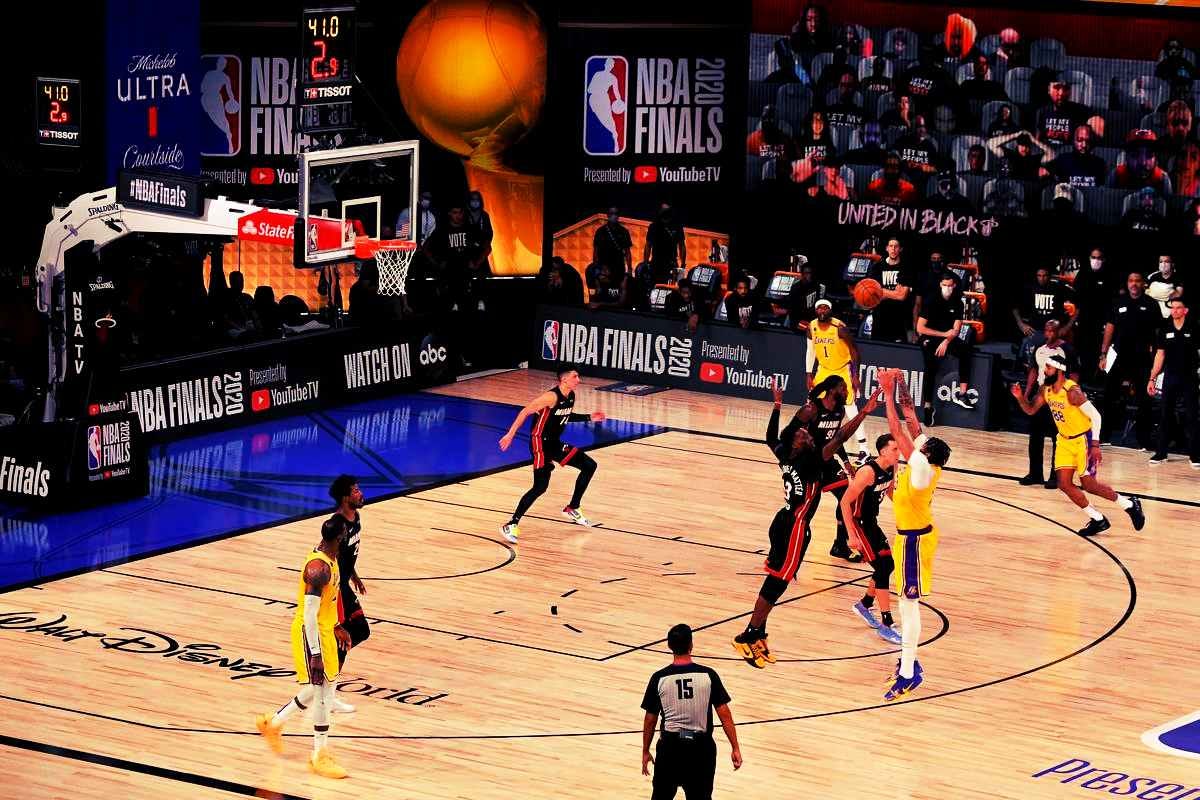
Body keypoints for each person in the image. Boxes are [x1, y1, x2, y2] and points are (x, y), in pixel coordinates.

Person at [732, 378, 879, 668]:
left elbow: (770, 437)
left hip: (784, 520)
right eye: (802, 435)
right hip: (795, 525)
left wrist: (777, 404)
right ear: (799, 446)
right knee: (778, 582)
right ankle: (748, 634)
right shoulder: (810, 463)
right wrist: (863, 412)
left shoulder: (784, 454)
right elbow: (839, 438)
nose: (806, 434)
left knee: (777, 580)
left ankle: (758, 634)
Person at [255, 515, 353, 779]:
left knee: (323, 687)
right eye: (346, 533)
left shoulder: (331, 557)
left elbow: (327, 603)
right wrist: (316, 654)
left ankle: (273, 723)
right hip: (311, 633)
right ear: (340, 537)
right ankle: (319, 756)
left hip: (325, 629)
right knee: (322, 692)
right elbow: (309, 614)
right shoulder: (318, 568)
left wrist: (337, 625)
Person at [876, 368, 952, 701]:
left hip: (915, 541)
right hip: (908, 537)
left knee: (909, 606)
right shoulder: (926, 458)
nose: (919, 441)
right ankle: (908, 663)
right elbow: (910, 416)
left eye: (924, 445)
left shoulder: (921, 468)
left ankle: (909, 671)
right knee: (905, 603)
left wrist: (886, 391)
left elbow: (896, 429)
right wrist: (901, 382)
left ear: (927, 455)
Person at [1011, 358, 1146, 536]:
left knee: (1089, 485)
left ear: (1059, 370)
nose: (1045, 370)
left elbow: (1096, 416)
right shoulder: (1046, 389)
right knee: (1064, 484)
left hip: (1083, 439)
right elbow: (1030, 410)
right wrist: (1020, 398)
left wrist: (1095, 444)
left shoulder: (1072, 391)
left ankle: (1130, 504)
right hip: (1064, 440)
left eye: (1049, 367)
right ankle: (1098, 519)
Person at [498, 368, 605, 542]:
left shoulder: (570, 395)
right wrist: (510, 434)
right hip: (540, 444)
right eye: (575, 377)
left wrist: (589, 417)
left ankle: (573, 508)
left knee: (589, 465)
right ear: (564, 380)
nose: (578, 379)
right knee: (540, 487)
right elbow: (525, 411)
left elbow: (565, 415)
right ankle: (511, 524)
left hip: (554, 443)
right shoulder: (550, 397)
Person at [641, 624, 741, 800]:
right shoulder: (708, 675)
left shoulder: (659, 678)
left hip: (670, 748)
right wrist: (735, 747)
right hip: (700, 750)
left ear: (669, 646)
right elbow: (725, 715)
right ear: (691, 645)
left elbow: (650, 719)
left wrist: (645, 750)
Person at [843, 432, 902, 644]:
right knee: (884, 567)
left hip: (871, 523)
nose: (899, 453)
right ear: (883, 451)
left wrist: (907, 511)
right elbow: (844, 502)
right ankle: (886, 623)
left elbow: (890, 492)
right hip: (858, 524)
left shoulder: (892, 467)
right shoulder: (867, 472)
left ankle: (865, 604)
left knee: (887, 565)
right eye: (895, 449)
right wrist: (851, 535)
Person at [1098, 272, 1159, 448]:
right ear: (1127, 283)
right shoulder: (1118, 302)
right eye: (1131, 281)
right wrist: (1103, 354)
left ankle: (1144, 441)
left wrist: (1155, 354)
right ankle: (1104, 436)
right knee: (1109, 395)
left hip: (1141, 356)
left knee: (1144, 399)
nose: (1134, 284)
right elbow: (1109, 328)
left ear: (1143, 284)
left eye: (1137, 281)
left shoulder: (1151, 304)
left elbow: (1157, 332)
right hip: (1118, 355)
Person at [326, 475, 368, 713]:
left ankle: (327, 686)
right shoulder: (337, 525)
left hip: (344, 584)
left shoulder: (356, 517)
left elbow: (347, 556)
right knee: (352, 634)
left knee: (359, 632)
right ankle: (328, 693)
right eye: (355, 491)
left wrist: (354, 576)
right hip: (335, 588)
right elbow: (329, 556)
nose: (360, 493)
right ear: (345, 498)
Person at [1019, 319, 1078, 488]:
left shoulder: (1067, 350)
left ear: (1059, 332)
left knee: (1057, 438)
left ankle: (1056, 476)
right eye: (1047, 330)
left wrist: (1071, 395)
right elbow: (1033, 371)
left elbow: (1074, 374)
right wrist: (1027, 393)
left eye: (1053, 331)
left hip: (1058, 397)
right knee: (1035, 437)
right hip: (1041, 394)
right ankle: (1035, 474)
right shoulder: (1039, 348)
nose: (1049, 334)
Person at [807, 298, 868, 457]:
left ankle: (864, 448)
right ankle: (809, 439)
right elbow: (810, 352)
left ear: (830, 310)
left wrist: (855, 375)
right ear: (816, 310)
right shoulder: (811, 327)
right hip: (824, 369)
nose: (822, 310)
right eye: (819, 308)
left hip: (842, 369)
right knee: (812, 404)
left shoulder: (840, 328)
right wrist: (809, 374)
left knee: (850, 407)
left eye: (825, 308)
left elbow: (855, 352)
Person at [916, 272, 975, 422]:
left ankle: (962, 394)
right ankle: (928, 407)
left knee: (965, 349)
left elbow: (956, 329)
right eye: (944, 285)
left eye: (950, 286)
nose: (947, 288)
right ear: (940, 285)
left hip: (948, 338)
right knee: (930, 365)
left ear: (954, 286)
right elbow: (920, 328)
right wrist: (943, 335)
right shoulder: (931, 301)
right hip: (930, 336)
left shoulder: (958, 303)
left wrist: (946, 341)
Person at [1148, 298, 1200, 466]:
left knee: (1192, 415)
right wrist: (1152, 378)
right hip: (1170, 376)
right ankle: (1161, 453)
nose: (1175, 311)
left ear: (1185, 310)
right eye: (1173, 308)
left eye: (1178, 308)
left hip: (1190, 376)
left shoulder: (1194, 327)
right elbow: (1160, 355)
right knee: (1165, 414)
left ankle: (1195, 455)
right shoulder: (1165, 329)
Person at [424, 203, 485, 312]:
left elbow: (487, 247)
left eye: (460, 212)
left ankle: (477, 301)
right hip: (450, 269)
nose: (458, 215)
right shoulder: (442, 230)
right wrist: (436, 263)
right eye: (455, 213)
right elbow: (426, 247)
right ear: (449, 213)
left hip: (467, 268)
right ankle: (452, 302)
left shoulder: (470, 229)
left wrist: (477, 263)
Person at [1072, 248, 1115, 381]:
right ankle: (1083, 379)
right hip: (1084, 320)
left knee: (1098, 351)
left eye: (1099, 258)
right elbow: (1075, 297)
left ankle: (1096, 379)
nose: (1096, 260)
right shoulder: (1083, 274)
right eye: (1093, 257)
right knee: (1082, 350)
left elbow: (1112, 301)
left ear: (1103, 260)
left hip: (1101, 321)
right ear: (1089, 258)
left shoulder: (1109, 276)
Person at [1014, 267, 1074, 360]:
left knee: (1057, 359)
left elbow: (1079, 305)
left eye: (1044, 276)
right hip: (1035, 331)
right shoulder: (1030, 288)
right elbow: (1014, 306)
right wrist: (1021, 324)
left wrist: (1067, 327)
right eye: (1039, 276)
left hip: (1054, 332)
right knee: (1030, 358)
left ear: (1049, 276)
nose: (1042, 278)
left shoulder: (1059, 288)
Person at [866, 237, 917, 342]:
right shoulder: (877, 267)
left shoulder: (906, 268)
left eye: (896, 246)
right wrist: (894, 293)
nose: (893, 249)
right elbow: (873, 293)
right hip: (880, 318)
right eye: (891, 246)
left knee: (897, 350)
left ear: (900, 249)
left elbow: (902, 296)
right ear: (887, 248)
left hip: (899, 319)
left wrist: (882, 291)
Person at [1110, 130, 1173, 194]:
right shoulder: (1116, 175)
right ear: (1126, 157)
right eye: (1135, 155)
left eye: (1149, 155)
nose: (1143, 162)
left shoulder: (1162, 179)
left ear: (1156, 158)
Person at [1037, 78, 1091, 150]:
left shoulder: (1081, 111)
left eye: (1066, 88)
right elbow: (1037, 140)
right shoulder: (1042, 111)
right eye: (1057, 87)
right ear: (1049, 90)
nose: (1061, 93)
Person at [644, 204, 687, 284]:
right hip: (656, 263)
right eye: (663, 210)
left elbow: (682, 246)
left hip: (671, 263)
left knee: (670, 288)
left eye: (667, 210)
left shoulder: (677, 226)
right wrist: (645, 263)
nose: (665, 212)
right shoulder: (653, 226)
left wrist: (683, 264)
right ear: (660, 211)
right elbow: (648, 245)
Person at [987, 130, 1053, 180]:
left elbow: (1052, 154)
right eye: (1021, 145)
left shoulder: (1034, 159)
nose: (1024, 148)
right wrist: (1015, 135)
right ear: (1017, 145)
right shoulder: (1011, 155)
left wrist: (1034, 140)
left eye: (1027, 146)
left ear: (1030, 147)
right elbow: (990, 143)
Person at [593, 208, 634, 276]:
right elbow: (596, 251)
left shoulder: (624, 231)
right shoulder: (600, 231)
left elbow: (627, 252)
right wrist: (596, 268)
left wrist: (629, 268)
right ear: (607, 215)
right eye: (611, 213)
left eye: (616, 213)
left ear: (618, 215)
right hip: (604, 268)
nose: (614, 216)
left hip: (619, 267)